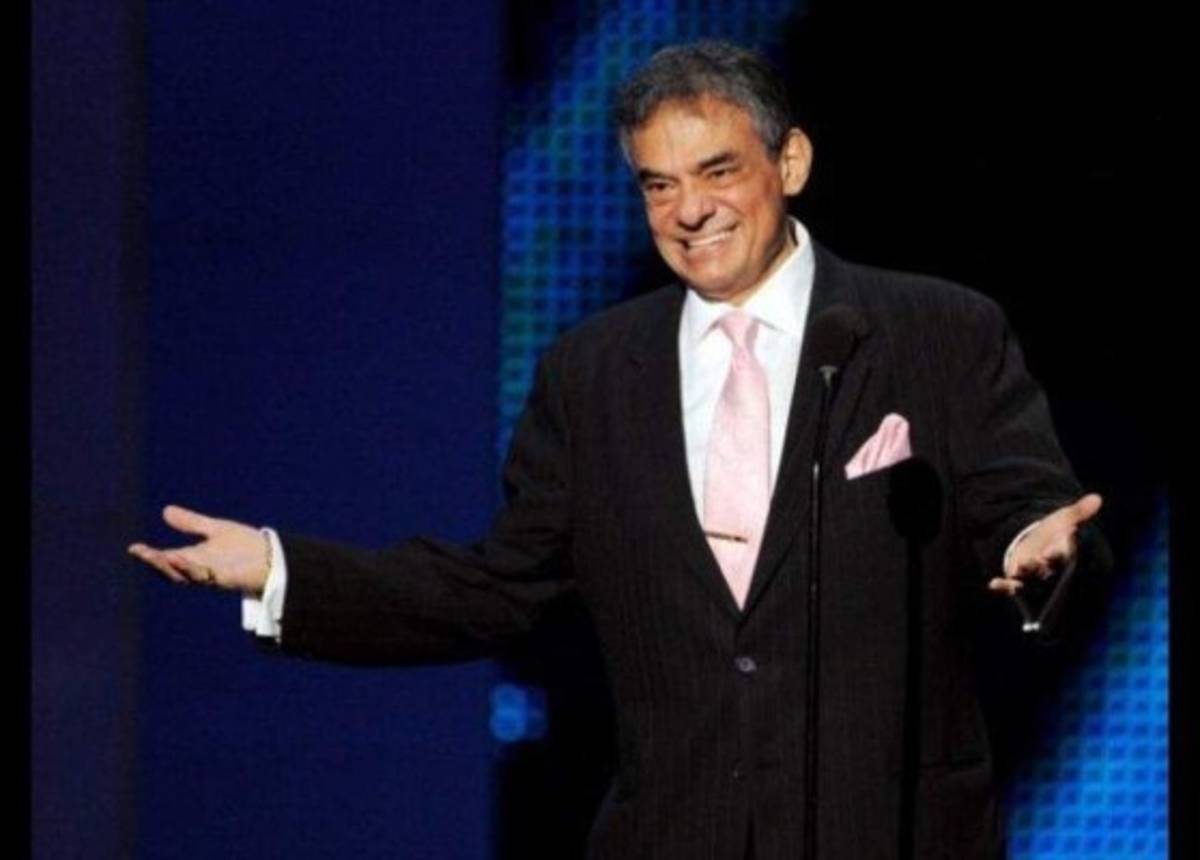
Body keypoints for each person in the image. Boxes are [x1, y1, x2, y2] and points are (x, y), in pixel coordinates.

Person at [129, 40, 1108, 860]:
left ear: (791, 162)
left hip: (891, 835)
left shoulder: (935, 330)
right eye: (658, 184)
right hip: (674, 833)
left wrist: (1042, 552)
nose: (690, 211)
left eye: (718, 171)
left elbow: (1034, 510)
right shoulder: (594, 373)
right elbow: (497, 586)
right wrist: (284, 570)